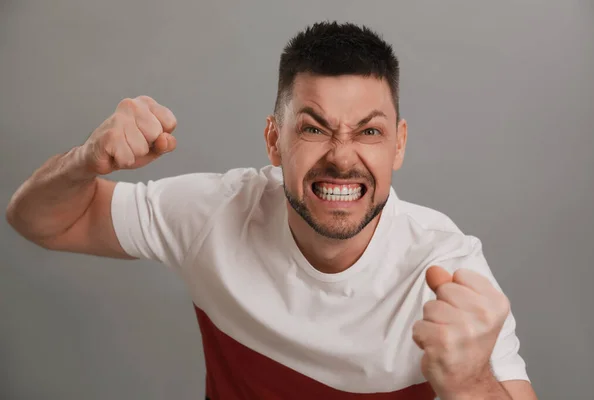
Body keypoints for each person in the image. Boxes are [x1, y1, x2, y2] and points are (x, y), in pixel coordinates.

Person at [6, 21, 537, 399]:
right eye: (313, 127)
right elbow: (37, 220)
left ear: (397, 145)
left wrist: (469, 384)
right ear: (273, 140)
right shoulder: (213, 213)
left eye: (369, 132)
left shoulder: (449, 270)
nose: (341, 157)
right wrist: (84, 160)